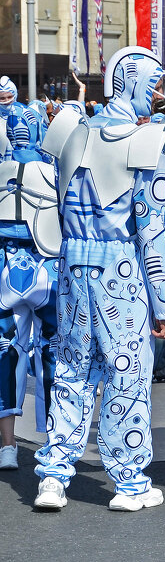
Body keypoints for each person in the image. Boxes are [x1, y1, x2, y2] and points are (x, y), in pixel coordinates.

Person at [34, 46, 165, 512]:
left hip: (73, 262)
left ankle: (53, 476)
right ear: (131, 82)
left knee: (72, 370)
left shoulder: (69, 132)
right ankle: (129, 481)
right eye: (153, 83)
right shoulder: (147, 141)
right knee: (126, 371)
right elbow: (151, 230)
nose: (158, 94)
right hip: (119, 266)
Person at [0, 107, 60, 472]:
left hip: (4, 266)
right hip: (48, 266)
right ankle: (55, 438)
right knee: (53, 350)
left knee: (5, 351)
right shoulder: (54, 172)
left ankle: (8, 445)